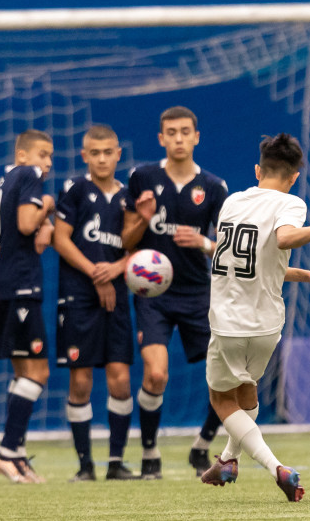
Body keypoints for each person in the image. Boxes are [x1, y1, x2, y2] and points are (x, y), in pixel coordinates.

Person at [201, 133, 310, 502]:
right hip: (268, 325)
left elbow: (277, 244)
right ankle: (227, 460)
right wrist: (306, 270)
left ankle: (277, 469)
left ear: (257, 170)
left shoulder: (233, 202)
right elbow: (269, 256)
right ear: (295, 175)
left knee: (222, 400)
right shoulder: (291, 202)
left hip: (229, 323)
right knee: (246, 391)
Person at [121, 106, 227, 480]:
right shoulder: (142, 177)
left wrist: (204, 242)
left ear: (196, 137)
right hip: (154, 295)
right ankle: (150, 452)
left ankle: (202, 445)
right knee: (156, 375)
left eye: (185, 132)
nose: (179, 138)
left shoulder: (214, 188)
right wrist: (144, 219)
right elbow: (125, 240)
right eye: (171, 132)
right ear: (161, 138)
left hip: (199, 293)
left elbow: (229, 246)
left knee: (226, 378)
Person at [52, 125, 138, 482]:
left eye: (108, 152)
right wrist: (96, 273)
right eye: (94, 153)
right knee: (81, 381)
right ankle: (85, 465)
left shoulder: (130, 195)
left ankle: (116, 462)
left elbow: (136, 243)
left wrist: (117, 268)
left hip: (116, 298)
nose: (102, 159)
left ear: (118, 154)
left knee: (120, 380)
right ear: (84, 155)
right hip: (78, 297)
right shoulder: (74, 189)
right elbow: (60, 239)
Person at [0, 129, 56, 484]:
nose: (48, 164)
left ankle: (12, 453)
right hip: (19, 286)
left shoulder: (4, 183)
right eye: (43, 155)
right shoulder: (27, 176)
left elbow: (28, 236)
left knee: (23, 373)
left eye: (50, 157)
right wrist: (47, 207)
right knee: (37, 373)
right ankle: (6, 452)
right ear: (23, 154)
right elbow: (28, 224)